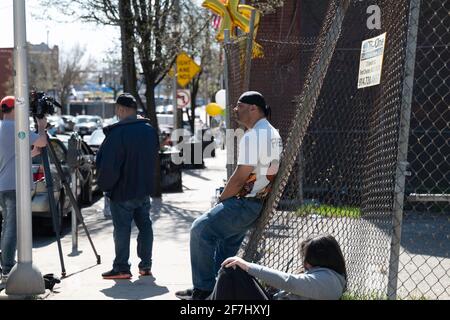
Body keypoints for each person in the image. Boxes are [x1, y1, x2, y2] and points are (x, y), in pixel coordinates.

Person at [176, 91, 283, 300]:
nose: (235, 109)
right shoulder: (270, 132)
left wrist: (222, 199)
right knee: (226, 246)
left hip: (243, 203)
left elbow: (239, 177)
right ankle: (219, 291)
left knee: (199, 230)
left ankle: (204, 290)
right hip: (254, 204)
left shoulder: (255, 135)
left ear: (253, 108)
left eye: (239, 105)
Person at [96, 93, 159, 280]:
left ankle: (122, 267)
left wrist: (106, 186)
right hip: (143, 189)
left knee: (122, 229)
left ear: (121, 110)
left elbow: (108, 166)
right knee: (145, 226)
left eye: (117, 110)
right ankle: (146, 266)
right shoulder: (149, 130)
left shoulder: (117, 133)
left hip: (122, 191)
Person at [208, 234, 347, 300]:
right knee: (231, 271)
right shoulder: (327, 276)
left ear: (321, 258)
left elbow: (290, 282)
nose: (304, 264)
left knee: (232, 269)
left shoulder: (329, 281)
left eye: (307, 259)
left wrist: (248, 266)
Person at [0, 96, 47, 283]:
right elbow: (42, 141)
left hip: (3, 186)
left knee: (6, 226)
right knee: (12, 227)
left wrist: (31, 154)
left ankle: (5, 264)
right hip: (15, 186)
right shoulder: (17, 128)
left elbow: (12, 155)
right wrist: (41, 126)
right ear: (15, 110)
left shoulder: (2, 127)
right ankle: (7, 269)